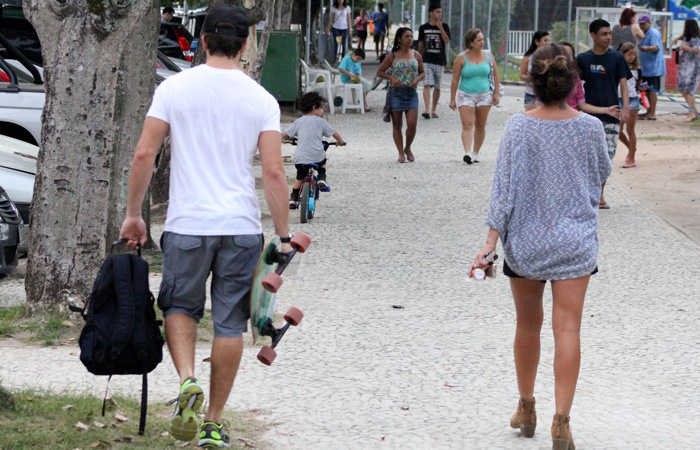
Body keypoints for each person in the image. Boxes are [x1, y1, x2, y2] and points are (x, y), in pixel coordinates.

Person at [118, 6, 291, 448]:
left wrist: (134, 213)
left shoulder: (174, 88)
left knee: (179, 306)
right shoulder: (261, 99)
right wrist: (285, 234)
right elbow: (273, 173)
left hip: (188, 223)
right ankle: (213, 422)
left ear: (201, 41)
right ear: (246, 45)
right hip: (240, 226)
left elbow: (144, 154)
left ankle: (187, 380)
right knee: (230, 322)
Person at [471, 43, 612, 450]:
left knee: (527, 325)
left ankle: (526, 406)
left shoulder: (518, 127)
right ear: (573, 85)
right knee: (568, 327)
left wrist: (489, 243)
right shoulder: (589, 127)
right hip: (575, 242)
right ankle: (562, 421)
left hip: (528, 243)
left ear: (532, 83)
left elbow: (503, 191)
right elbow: (602, 172)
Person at [577, 18, 631, 209]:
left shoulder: (617, 58)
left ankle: (600, 194)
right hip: (587, 118)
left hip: (612, 116)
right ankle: (588, 194)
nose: (608, 37)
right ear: (593, 35)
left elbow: (624, 84)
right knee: (586, 158)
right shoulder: (583, 59)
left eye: (610, 34)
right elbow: (576, 87)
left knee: (607, 158)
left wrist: (625, 108)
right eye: (604, 34)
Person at [282, 92, 345, 205]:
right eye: (321, 107)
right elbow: (335, 134)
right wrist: (340, 142)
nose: (322, 111)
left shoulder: (298, 121)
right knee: (322, 162)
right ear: (314, 107)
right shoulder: (321, 122)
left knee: (300, 176)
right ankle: (321, 178)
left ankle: (293, 198)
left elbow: (285, 135)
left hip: (300, 157)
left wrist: (284, 139)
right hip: (316, 155)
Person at [449, 28, 500, 165]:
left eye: (483, 39)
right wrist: (452, 99)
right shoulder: (461, 58)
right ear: (471, 43)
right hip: (466, 94)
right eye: (479, 40)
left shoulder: (488, 56)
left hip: (485, 94)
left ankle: (475, 152)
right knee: (467, 124)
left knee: (480, 125)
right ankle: (467, 153)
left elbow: (495, 75)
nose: (482, 42)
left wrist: (496, 94)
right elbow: (454, 80)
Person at [377, 27, 425, 163]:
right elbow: (380, 71)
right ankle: (400, 153)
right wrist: (392, 78)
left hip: (411, 93)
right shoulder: (392, 55)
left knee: (412, 123)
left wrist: (417, 79)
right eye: (407, 36)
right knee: (397, 124)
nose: (410, 39)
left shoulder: (416, 55)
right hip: (396, 93)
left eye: (411, 36)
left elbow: (422, 72)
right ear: (399, 39)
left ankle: (408, 147)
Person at [418, 5, 451, 119]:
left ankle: (434, 109)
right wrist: (417, 56)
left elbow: (447, 41)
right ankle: (427, 109)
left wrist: (440, 28)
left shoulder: (444, 26)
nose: (439, 14)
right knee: (427, 84)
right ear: (431, 13)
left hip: (439, 60)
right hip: (426, 59)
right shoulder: (423, 27)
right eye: (437, 12)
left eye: (440, 12)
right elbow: (421, 42)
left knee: (437, 86)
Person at [617, 43, 642, 168]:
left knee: (630, 129)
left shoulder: (636, 68)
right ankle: (631, 148)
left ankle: (631, 157)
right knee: (618, 130)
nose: (631, 57)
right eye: (629, 54)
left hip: (632, 99)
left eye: (634, 54)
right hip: (618, 99)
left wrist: (643, 87)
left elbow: (639, 83)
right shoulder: (617, 66)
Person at [638, 14, 666, 121]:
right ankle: (648, 111)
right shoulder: (643, 34)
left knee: (653, 90)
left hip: (653, 68)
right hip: (646, 68)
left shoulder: (653, 33)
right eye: (640, 24)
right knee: (646, 90)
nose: (642, 26)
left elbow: (655, 47)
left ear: (649, 23)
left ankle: (652, 112)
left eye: (644, 24)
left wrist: (645, 48)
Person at [671, 19, 700, 121]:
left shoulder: (695, 39)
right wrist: (676, 38)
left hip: (692, 67)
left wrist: (686, 48)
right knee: (682, 89)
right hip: (683, 67)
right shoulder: (686, 37)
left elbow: (697, 50)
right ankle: (694, 110)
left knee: (689, 90)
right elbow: (682, 35)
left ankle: (691, 113)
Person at [520, 31, 551, 111]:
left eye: (549, 40)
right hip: (531, 93)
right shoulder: (528, 57)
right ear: (537, 42)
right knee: (531, 118)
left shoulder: (552, 56)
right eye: (545, 40)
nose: (547, 43)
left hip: (547, 94)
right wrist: (531, 79)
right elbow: (522, 75)